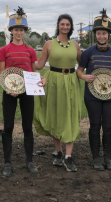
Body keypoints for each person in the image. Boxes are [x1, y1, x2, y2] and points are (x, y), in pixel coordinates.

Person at [0, 7, 45, 177]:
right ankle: (7, 162)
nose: (18, 32)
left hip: (27, 92)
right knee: (8, 126)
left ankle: (29, 161)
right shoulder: (4, 50)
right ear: (11, 31)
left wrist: (41, 79)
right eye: (16, 29)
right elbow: (2, 74)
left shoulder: (30, 50)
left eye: (21, 30)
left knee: (27, 127)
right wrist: (9, 89)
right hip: (9, 92)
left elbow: (33, 72)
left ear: (25, 31)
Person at [77, 9, 111, 172]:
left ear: (108, 35)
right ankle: (96, 158)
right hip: (92, 96)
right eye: (99, 33)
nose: (102, 36)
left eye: (104, 33)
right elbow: (79, 71)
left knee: (109, 127)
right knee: (95, 125)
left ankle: (108, 158)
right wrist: (84, 77)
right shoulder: (88, 52)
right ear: (95, 34)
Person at [34, 14, 82, 172]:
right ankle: (59, 153)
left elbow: (84, 63)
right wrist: (24, 57)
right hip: (53, 83)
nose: (65, 27)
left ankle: (69, 157)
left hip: (71, 84)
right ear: (58, 25)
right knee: (56, 115)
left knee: (70, 116)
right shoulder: (49, 44)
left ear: (71, 26)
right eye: (62, 24)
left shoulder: (75, 45)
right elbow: (39, 65)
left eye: (68, 24)